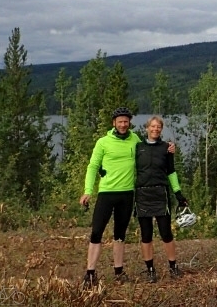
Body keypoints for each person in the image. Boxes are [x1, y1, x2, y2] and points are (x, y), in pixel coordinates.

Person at [79, 107, 140, 287]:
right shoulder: (103, 142)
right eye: (120, 121)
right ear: (114, 123)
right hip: (106, 193)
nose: (123, 124)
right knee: (96, 232)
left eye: (126, 121)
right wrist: (88, 191)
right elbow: (92, 166)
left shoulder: (135, 139)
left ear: (129, 123)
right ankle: (90, 273)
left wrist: (167, 148)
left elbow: (149, 153)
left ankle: (119, 271)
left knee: (120, 234)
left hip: (127, 194)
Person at [134, 115, 188, 282]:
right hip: (142, 193)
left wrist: (178, 193)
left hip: (160, 193)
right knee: (146, 235)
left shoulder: (166, 148)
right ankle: (150, 270)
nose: (155, 129)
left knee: (166, 233)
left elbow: (171, 172)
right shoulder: (137, 147)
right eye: (153, 126)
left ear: (161, 129)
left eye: (158, 127)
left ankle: (173, 267)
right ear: (146, 128)